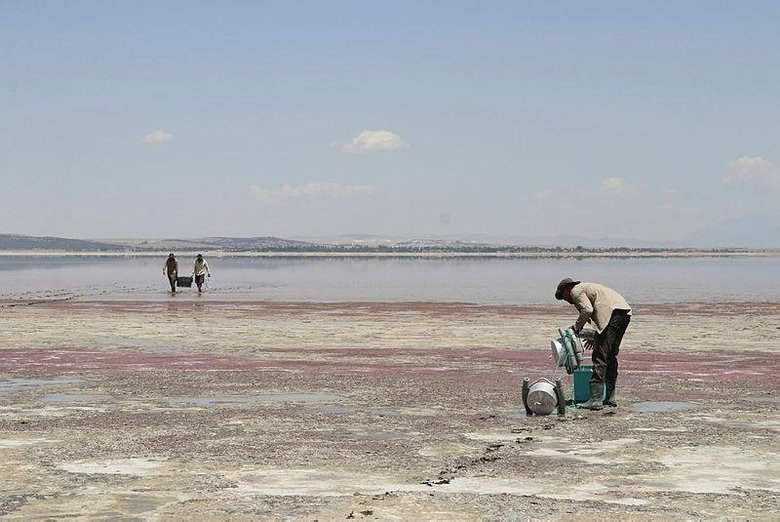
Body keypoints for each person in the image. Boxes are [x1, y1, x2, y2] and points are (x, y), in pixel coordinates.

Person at [555, 278, 632, 410]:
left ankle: (595, 400)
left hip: (612, 314)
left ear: (567, 289)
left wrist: (575, 328)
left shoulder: (576, 291)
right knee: (610, 355)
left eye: (563, 296)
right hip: (623, 313)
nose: (566, 301)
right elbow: (597, 311)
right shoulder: (587, 288)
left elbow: (587, 310)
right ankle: (609, 398)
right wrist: (597, 334)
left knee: (599, 356)